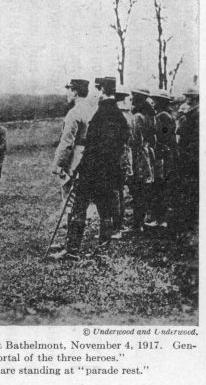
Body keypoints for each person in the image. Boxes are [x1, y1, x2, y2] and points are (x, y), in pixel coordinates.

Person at [52, 77, 130, 260]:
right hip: (109, 170)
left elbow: (91, 145)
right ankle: (103, 252)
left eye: (98, 90)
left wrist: (81, 167)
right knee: (105, 210)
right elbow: (124, 142)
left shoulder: (99, 113)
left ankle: (71, 249)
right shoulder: (117, 115)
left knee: (78, 206)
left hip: (91, 169)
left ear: (102, 90)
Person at [51, 79, 94, 201]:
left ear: (75, 92)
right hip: (92, 157)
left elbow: (67, 142)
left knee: (70, 200)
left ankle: (71, 220)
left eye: (69, 90)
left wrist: (57, 164)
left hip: (76, 159)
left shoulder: (74, 113)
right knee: (84, 200)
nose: (67, 94)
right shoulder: (93, 109)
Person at [147, 89, 177, 228]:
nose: (153, 102)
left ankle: (160, 219)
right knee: (161, 186)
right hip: (165, 154)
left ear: (161, 102)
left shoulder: (163, 116)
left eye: (155, 100)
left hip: (162, 155)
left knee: (160, 185)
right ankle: (160, 218)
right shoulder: (167, 115)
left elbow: (163, 137)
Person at [129, 88, 156, 232]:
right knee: (143, 188)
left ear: (137, 98)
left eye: (134, 96)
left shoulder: (138, 116)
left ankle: (137, 224)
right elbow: (153, 138)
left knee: (137, 188)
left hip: (139, 155)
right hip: (147, 153)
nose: (132, 99)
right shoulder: (151, 116)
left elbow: (135, 140)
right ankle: (141, 221)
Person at [174, 87, 199, 237]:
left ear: (193, 99)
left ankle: (188, 223)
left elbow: (186, 136)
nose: (186, 100)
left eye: (188, 98)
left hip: (189, 157)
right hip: (190, 156)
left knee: (189, 189)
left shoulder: (194, 115)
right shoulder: (193, 114)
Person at [112, 86, 135, 237]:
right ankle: (118, 226)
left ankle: (116, 228)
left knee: (114, 191)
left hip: (117, 155)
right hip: (127, 153)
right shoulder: (130, 114)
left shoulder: (117, 114)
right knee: (119, 190)